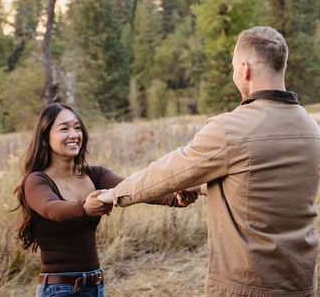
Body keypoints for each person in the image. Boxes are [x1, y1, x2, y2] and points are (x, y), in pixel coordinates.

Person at [100, 26, 320, 296]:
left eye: (233, 69)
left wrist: (114, 194)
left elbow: (167, 173)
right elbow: (260, 187)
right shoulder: (312, 129)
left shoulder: (231, 128)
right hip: (300, 284)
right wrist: (198, 187)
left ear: (244, 69)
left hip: (246, 284)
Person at [15, 103, 196, 296]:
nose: (74, 134)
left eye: (77, 128)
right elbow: (51, 208)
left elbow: (135, 188)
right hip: (58, 289)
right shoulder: (36, 181)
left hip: (95, 286)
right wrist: (84, 208)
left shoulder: (95, 174)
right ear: (45, 136)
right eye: (64, 128)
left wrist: (174, 198)